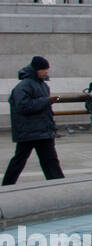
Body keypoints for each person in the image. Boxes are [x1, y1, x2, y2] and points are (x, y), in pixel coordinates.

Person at [3, 56, 66, 185]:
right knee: (19, 160)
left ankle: (59, 185)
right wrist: (47, 101)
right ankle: (7, 186)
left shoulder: (42, 85)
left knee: (50, 160)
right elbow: (23, 106)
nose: (46, 72)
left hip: (42, 130)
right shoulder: (23, 86)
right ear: (36, 69)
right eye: (43, 69)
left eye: (47, 69)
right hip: (29, 131)